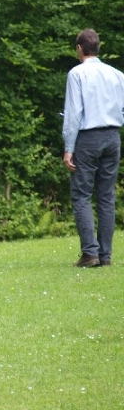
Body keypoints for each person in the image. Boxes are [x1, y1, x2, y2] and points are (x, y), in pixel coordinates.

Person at [62, 29, 124, 268]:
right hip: (112, 136)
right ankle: (105, 255)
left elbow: (74, 113)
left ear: (79, 48)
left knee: (81, 195)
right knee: (107, 197)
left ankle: (90, 253)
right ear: (98, 48)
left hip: (88, 138)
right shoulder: (117, 75)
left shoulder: (76, 74)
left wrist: (69, 148)